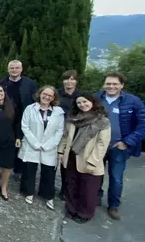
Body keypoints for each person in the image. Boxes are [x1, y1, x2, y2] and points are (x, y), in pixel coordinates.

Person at [95, 72, 145, 220]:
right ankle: (95, 198)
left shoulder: (133, 102)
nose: (111, 86)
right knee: (95, 174)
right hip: (98, 145)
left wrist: (127, 142)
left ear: (121, 85)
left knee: (116, 177)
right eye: (108, 83)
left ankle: (113, 205)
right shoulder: (96, 99)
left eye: (115, 84)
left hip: (118, 147)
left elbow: (144, 125)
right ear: (104, 85)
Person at [58, 93, 111, 223]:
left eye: (85, 102)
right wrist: (60, 151)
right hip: (70, 156)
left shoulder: (102, 121)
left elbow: (102, 143)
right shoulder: (73, 119)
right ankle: (71, 208)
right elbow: (65, 136)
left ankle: (84, 213)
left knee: (88, 188)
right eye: (79, 103)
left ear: (93, 102)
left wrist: (93, 161)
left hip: (89, 158)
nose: (82, 105)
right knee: (71, 184)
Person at [19, 86, 65, 210]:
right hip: (31, 144)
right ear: (39, 94)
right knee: (29, 170)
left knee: (48, 172)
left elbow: (60, 131)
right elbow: (25, 127)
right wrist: (35, 143)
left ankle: (48, 195)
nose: (46, 97)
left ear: (54, 98)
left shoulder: (58, 112)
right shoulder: (30, 108)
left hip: (49, 147)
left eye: (50, 95)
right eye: (44, 94)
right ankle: (28, 192)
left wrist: (48, 145)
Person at [0, 60, 38, 181]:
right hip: (7, 119)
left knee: (23, 143)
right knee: (8, 144)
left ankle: (20, 170)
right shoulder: (2, 83)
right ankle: (6, 167)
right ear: (8, 69)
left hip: (25, 118)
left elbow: (35, 100)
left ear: (21, 69)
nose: (14, 70)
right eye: (12, 68)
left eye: (16, 68)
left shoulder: (30, 84)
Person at [56, 70, 82, 200]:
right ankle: (64, 189)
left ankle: (72, 190)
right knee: (61, 162)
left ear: (76, 81)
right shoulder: (57, 94)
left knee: (73, 162)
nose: (69, 82)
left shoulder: (81, 96)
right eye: (67, 79)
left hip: (74, 132)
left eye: (72, 79)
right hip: (58, 131)